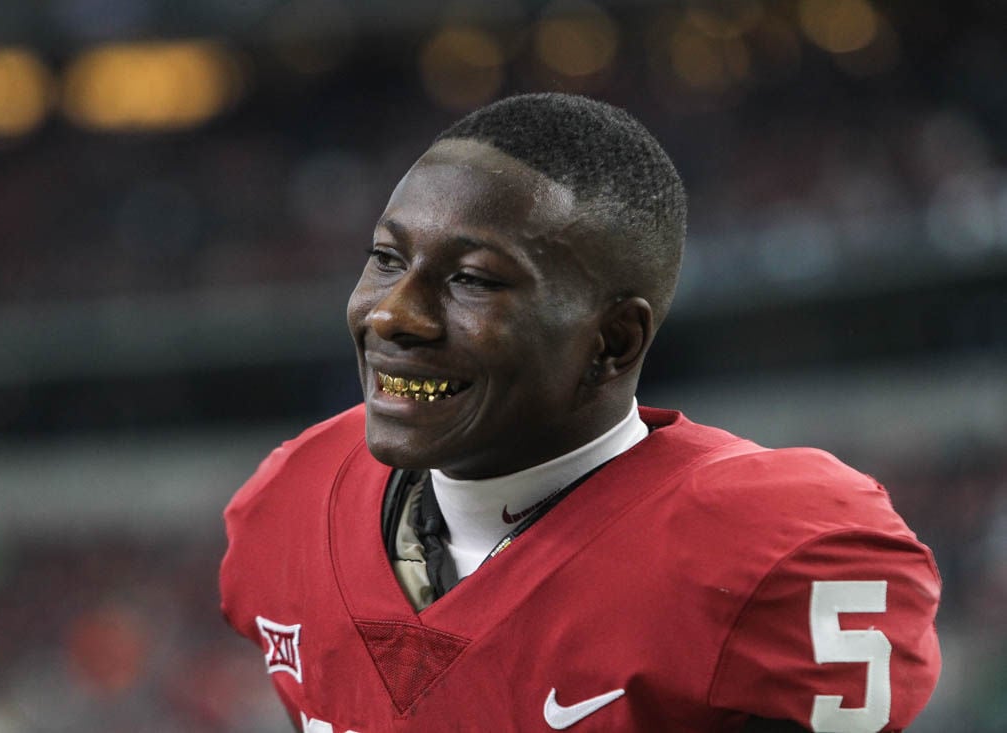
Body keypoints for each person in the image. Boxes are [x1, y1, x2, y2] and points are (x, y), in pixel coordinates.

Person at [219, 93, 941, 732]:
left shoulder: (775, 553)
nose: (391, 314)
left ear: (613, 340)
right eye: (385, 258)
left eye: (471, 279)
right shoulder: (292, 498)